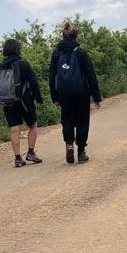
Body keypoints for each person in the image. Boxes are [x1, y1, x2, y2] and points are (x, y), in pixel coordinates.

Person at [49, 21, 102, 164]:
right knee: (82, 121)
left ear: (63, 35)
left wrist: (55, 97)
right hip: (82, 93)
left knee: (67, 119)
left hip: (63, 93)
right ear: (76, 36)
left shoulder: (56, 53)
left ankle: (69, 144)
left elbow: (52, 76)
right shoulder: (81, 53)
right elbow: (91, 75)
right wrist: (96, 97)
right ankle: (81, 152)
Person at [0, 37, 44, 168]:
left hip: (8, 102)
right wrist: (38, 99)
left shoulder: (0, 67)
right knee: (33, 126)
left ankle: (17, 159)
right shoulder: (24, 64)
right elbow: (33, 83)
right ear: (18, 50)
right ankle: (31, 153)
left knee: (14, 130)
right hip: (24, 101)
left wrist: (2, 101)